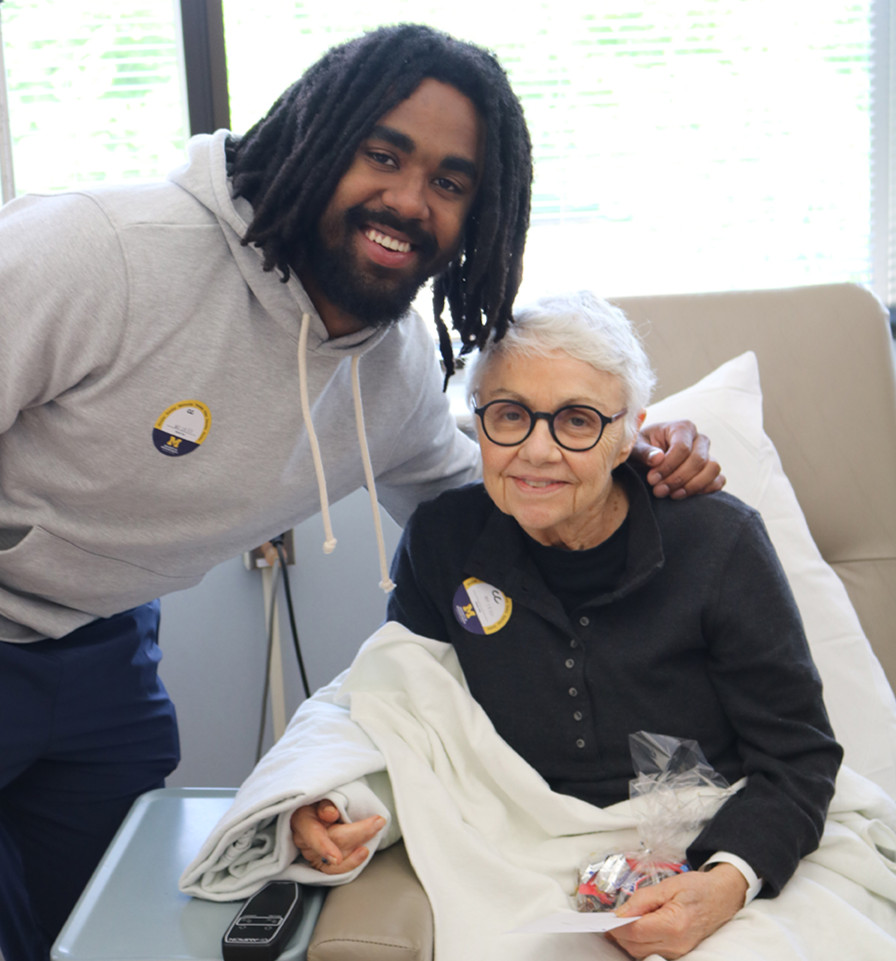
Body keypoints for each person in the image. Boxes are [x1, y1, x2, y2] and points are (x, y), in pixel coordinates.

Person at [0, 25, 721, 961]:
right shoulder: (98, 252)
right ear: (315, 136)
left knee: (114, 933)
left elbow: (488, 503)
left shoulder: (395, 373)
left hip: (102, 650)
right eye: (383, 153)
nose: (410, 198)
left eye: (451, 182)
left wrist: (633, 463)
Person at [290, 290, 844, 958]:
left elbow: (800, 757)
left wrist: (725, 882)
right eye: (510, 414)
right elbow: (401, 713)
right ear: (478, 420)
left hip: (713, 842)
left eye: (578, 421)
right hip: (509, 845)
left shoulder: (719, 544)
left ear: (628, 433)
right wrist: (334, 800)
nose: (537, 450)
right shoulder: (443, 539)